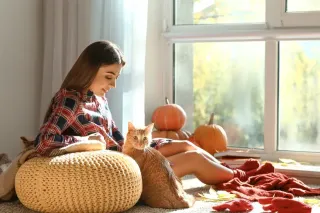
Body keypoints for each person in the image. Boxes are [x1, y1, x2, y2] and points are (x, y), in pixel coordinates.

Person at [35, 40, 273, 185]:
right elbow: (44, 142)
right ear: (89, 70)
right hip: (118, 168)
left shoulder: (99, 97)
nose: (113, 85)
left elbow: (116, 136)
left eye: (116, 78)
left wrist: (146, 145)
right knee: (193, 159)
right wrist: (85, 141)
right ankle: (243, 180)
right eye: (109, 77)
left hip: (128, 154)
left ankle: (234, 175)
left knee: (189, 146)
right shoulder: (70, 98)